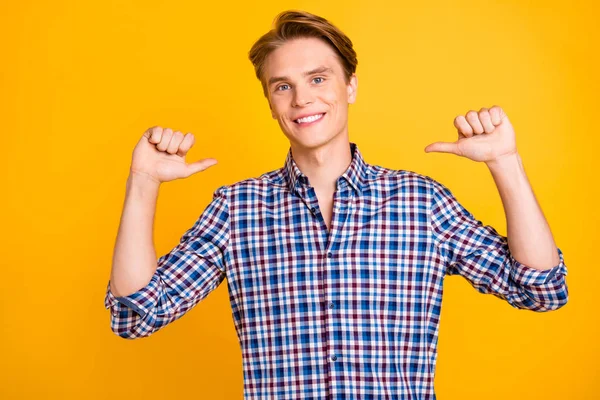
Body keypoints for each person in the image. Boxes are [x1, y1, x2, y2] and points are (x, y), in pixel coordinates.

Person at [104, 10, 568, 399]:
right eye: (282, 86)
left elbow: (539, 289)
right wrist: (143, 182)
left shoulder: (420, 202)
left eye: (318, 78)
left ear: (350, 87)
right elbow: (137, 314)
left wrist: (505, 162)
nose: (302, 97)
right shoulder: (236, 209)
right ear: (269, 102)